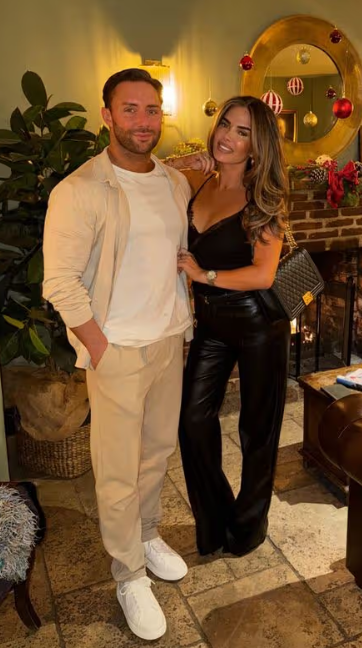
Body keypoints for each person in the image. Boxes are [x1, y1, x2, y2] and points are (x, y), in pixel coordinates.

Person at [42, 68, 213, 641]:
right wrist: (98, 345)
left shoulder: (173, 182)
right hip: (116, 350)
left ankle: (146, 534)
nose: (143, 121)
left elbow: (174, 252)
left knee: (156, 454)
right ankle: (128, 575)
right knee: (116, 471)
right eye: (131, 109)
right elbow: (60, 282)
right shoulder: (79, 190)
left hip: (168, 341)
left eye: (152, 109)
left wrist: (182, 323)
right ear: (107, 116)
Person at [174, 96, 291, 558]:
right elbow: (149, 170)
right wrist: (187, 160)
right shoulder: (197, 180)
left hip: (257, 323)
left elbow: (263, 275)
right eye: (225, 124)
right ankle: (217, 518)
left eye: (243, 132)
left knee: (257, 431)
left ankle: (248, 527)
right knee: (192, 420)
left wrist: (203, 274)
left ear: (256, 145)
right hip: (211, 323)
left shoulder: (263, 198)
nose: (228, 136)